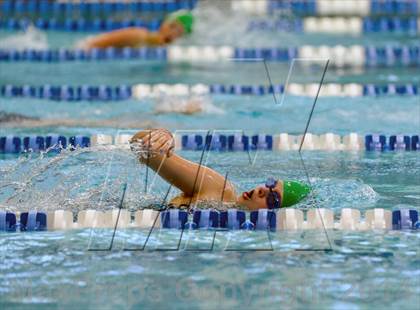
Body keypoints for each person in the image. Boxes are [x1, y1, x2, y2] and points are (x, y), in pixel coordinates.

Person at [130, 129, 311, 210]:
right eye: (270, 184)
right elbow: (139, 145)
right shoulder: (219, 188)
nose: (262, 190)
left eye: (273, 198)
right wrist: (161, 136)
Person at [79, 10, 193, 49]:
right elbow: (92, 44)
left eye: (181, 33)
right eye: (175, 29)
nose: (176, 35)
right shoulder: (138, 36)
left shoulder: (155, 46)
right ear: (165, 25)